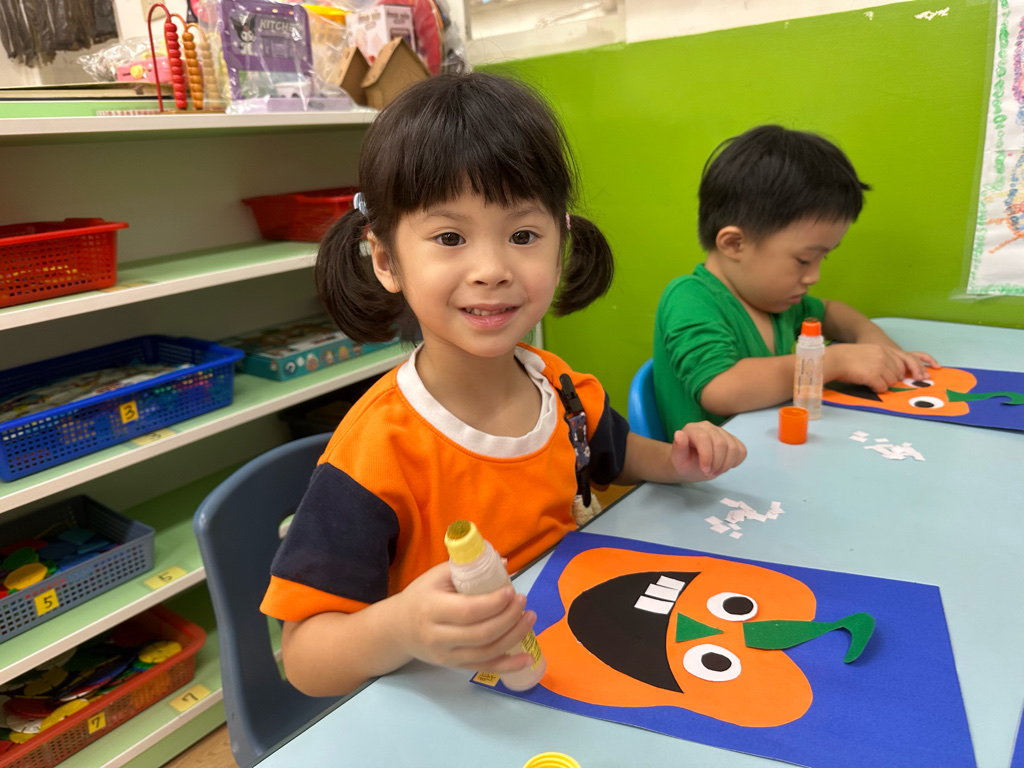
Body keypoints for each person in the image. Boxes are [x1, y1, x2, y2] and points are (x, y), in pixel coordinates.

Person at [260, 72, 747, 697]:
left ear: (561, 242)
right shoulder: (377, 452)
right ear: (385, 260)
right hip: (460, 702)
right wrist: (400, 627)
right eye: (449, 238)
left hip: (577, 662)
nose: (491, 270)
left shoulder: (562, 388)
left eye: (522, 236)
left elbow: (618, 454)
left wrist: (680, 460)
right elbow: (304, 659)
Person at [652, 124, 939, 434]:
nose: (814, 276)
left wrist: (873, 340)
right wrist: (836, 361)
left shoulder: (775, 301)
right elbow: (722, 389)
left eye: (822, 258)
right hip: (715, 463)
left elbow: (831, 311)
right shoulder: (689, 298)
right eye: (803, 260)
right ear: (735, 244)